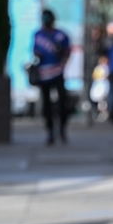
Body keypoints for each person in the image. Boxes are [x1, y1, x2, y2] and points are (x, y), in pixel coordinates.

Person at [33, 9, 70, 145]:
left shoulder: (60, 35)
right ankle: (50, 131)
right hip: (44, 74)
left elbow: (67, 52)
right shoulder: (38, 35)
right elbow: (35, 51)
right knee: (46, 104)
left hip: (57, 72)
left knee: (63, 101)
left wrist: (62, 62)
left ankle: (62, 128)